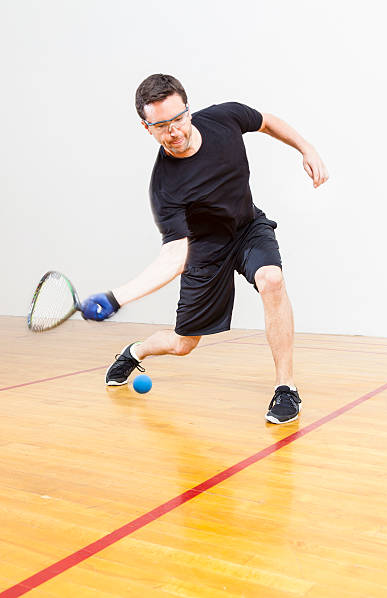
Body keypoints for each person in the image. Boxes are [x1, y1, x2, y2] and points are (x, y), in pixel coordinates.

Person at [81, 74, 329, 424]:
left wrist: (307, 148)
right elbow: (174, 256)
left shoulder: (225, 118)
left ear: (189, 111)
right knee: (183, 345)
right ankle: (134, 351)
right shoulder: (166, 188)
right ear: (146, 127)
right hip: (204, 251)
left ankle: (286, 388)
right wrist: (117, 297)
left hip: (246, 227)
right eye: (161, 125)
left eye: (178, 118)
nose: (174, 131)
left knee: (272, 280)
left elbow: (267, 122)